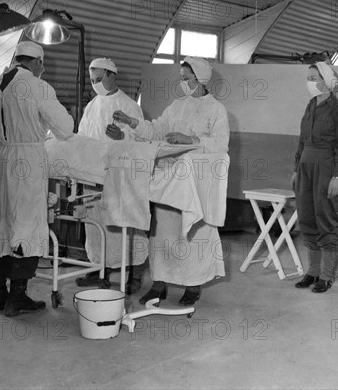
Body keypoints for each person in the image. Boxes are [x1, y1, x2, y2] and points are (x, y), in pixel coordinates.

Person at [112, 57, 229, 306]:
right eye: (182, 78)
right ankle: (159, 284)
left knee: (193, 233)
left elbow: (220, 145)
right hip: (168, 179)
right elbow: (157, 130)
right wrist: (131, 122)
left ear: (200, 79)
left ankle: (193, 285)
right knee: (163, 234)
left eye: (186, 78)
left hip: (196, 184)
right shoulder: (176, 105)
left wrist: (190, 139)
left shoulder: (216, 109)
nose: (183, 82)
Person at [0, 41, 74, 317]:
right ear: (37, 63)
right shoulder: (38, 87)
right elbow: (65, 128)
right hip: (25, 162)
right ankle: (17, 297)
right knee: (26, 225)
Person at [74, 58, 148, 293]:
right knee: (95, 224)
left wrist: (121, 137)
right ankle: (99, 268)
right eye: (92, 80)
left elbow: (142, 140)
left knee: (125, 223)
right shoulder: (92, 105)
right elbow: (82, 136)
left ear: (111, 75)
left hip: (120, 174)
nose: (95, 84)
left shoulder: (129, 105)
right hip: (93, 172)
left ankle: (135, 273)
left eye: (98, 79)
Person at [292, 62, 338, 293]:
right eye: (308, 77)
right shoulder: (310, 105)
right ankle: (312, 272)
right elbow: (302, 139)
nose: (309, 82)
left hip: (326, 166)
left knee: (325, 219)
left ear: (326, 81)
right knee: (307, 218)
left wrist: (337, 176)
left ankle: (326, 276)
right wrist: (296, 168)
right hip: (305, 165)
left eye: (313, 77)